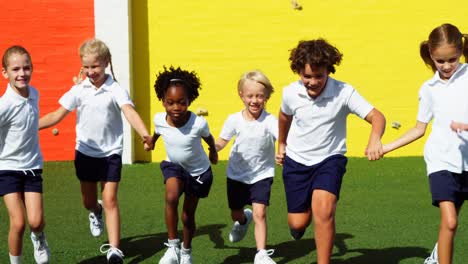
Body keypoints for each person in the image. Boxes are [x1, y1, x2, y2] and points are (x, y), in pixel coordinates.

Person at [39, 39, 152, 264]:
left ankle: (114, 250)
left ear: (106, 63)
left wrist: (144, 134)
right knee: (89, 201)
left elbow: (129, 112)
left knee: (110, 198)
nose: (91, 72)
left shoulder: (116, 89)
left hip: (111, 153)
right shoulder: (79, 90)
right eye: (87, 67)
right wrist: (30, 127)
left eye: (96, 67)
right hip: (85, 153)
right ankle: (95, 211)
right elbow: (57, 115)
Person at [276, 39, 386, 264]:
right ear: (298, 71)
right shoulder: (290, 93)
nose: (313, 82)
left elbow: (377, 116)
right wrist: (282, 144)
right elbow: (284, 117)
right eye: (307, 76)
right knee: (297, 223)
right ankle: (299, 224)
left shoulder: (344, 92)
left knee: (324, 211)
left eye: (319, 76)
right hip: (297, 161)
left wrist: (375, 139)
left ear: (329, 70)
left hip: (330, 159)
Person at [382, 23, 468, 264]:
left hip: (466, 160)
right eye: (441, 61)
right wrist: (387, 147)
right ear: (431, 54)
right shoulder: (428, 89)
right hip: (441, 159)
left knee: (450, 224)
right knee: (450, 221)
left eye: (452, 59)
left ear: (461, 51)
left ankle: (435, 256)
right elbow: (419, 128)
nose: (447, 66)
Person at [151, 66, 218, 264]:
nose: (176, 107)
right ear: (163, 101)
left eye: (182, 102)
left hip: (198, 172)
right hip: (174, 166)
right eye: (170, 103)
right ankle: (172, 248)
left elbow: (209, 139)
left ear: (189, 101)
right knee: (171, 196)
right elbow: (157, 132)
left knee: (188, 216)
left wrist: (213, 151)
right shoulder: (159, 120)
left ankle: (186, 251)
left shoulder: (198, 123)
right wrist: (151, 142)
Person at [215, 70, 278, 264]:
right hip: (236, 175)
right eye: (250, 95)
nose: (255, 100)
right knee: (236, 212)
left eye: (260, 96)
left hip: (262, 174)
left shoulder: (270, 121)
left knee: (261, 213)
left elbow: (282, 140)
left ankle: (261, 253)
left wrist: (284, 151)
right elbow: (222, 141)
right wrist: (213, 150)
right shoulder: (234, 119)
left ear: (267, 96)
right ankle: (243, 220)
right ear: (241, 95)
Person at [0, 45, 51, 264]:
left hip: (31, 166)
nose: (22, 74)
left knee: (36, 222)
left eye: (26, 68)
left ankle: (39, 237)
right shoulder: (4, 105)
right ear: (5, 73)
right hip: (7, 168)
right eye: (15, 69)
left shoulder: (35, 94)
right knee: (18, 222)